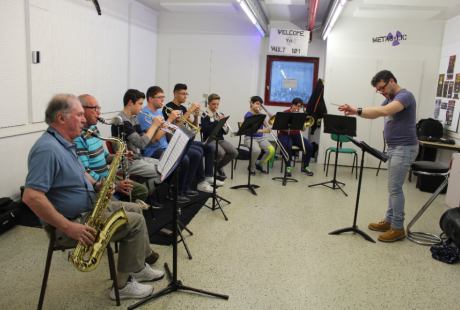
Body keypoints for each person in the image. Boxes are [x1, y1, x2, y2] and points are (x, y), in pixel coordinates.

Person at [23, 94, 164, 300]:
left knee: (134, 209)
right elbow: (31, 197)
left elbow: (77, 176)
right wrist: (70, 227)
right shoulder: (47, 149)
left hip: (87, 210)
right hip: (71, 224)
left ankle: (138, 267)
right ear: (61, 118)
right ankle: (122, 287)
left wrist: (98, 186)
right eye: (79, 114)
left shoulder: (65, 143)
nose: (83, 119)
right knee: (133, 222)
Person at [338, 70, 419, 242]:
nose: (381, 92)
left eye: (382, 88)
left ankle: (398, 227)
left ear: (391, 81)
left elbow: (386, 110)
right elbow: (375, 113)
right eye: (379, 90)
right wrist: (355, 111)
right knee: (393, 187)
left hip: (404, 148)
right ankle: (389, 221)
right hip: (395, 148)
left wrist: (358, 109)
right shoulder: (389, 98)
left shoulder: (405, 96)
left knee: (395, 188)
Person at [137, 86, 215, 203]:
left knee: (196, 154)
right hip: (153, 151)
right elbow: (156, 137)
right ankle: (176, 192)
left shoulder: (158, 112)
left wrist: (173, 126)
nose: (163, 100)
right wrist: (169, 120)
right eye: (160, 97)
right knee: (184, 159)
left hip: (166, 145)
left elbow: (166, 134)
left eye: (163, 97)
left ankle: (185, 188)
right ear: (151, 98)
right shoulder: (144, 114)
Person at [74, 94, 150, 204]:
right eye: (95, 108)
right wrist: (114, 184)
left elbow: (103, 156)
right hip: (98, 184)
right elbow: (85, 171)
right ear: (82, 110)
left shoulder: (93, 128)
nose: (99, 112)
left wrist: (119, 156)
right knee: (122, 210)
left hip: (108, 177)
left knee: (142, 191)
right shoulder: (79, 137)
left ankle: (128, 209)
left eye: (99, 108)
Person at [162, 83, 224, 186]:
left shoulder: (182, 107)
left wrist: (195, 116)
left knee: (209, 147)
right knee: (198, 151)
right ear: (175, 94)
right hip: (174, 140)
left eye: (186, 94)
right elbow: (176, 125)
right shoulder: (168, 107)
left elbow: (193, 125)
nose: (186, 96)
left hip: (185, 138)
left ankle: (208, 176)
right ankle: (200, 181)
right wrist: (190, 110)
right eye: (183, 94)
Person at [111, 89, 164, 194]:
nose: (141, 107)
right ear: (130, 102)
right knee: (161, 172)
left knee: (166, 167)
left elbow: (146, 144)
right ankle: (140, 197)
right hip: (126, 162)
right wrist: (154, 126)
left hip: (137, 159)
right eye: (140, 104)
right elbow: (140, 144)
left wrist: (156, 129)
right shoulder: (122, 121)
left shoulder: (134, 119)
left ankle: (145, 195)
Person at [201, 93, 238, 179]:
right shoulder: (204, 115)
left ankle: (218, 166)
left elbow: (224, 133)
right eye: (213, 104)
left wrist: (224, 126)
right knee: (220, 152)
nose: (216, 106)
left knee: (234, 152)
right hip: (210, 139)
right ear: (208, 104)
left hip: (220, 139)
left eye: (217, 104)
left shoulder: (220, 114)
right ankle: (212, 166)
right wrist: (217, 122)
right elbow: (206, 130)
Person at [278, 98, 314, 177]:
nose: (297, 108)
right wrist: (295, 128)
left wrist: (304, 123)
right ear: (292, 105)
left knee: (309, 146)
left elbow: (303, 129)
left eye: (299, 106)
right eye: (296, 106)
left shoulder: (300, 115)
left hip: (297, 135)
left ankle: (305, 167)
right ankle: (288, 166)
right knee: (288, 146)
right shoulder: (285, 113)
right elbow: (282, 128)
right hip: (284, 135)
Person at [244, 96, 274, 175]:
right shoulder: (248, 115)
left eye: (260, 105)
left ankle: (259, 165)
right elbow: (250, 129)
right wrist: (264, 130)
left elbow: (265, 125)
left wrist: (263, 118)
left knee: (271, 150)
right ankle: (251, 167)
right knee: (257, 150)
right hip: (249, 137)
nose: (258, 106)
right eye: (257, 104)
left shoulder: (259, 114)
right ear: (251, 103)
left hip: (260, 138)